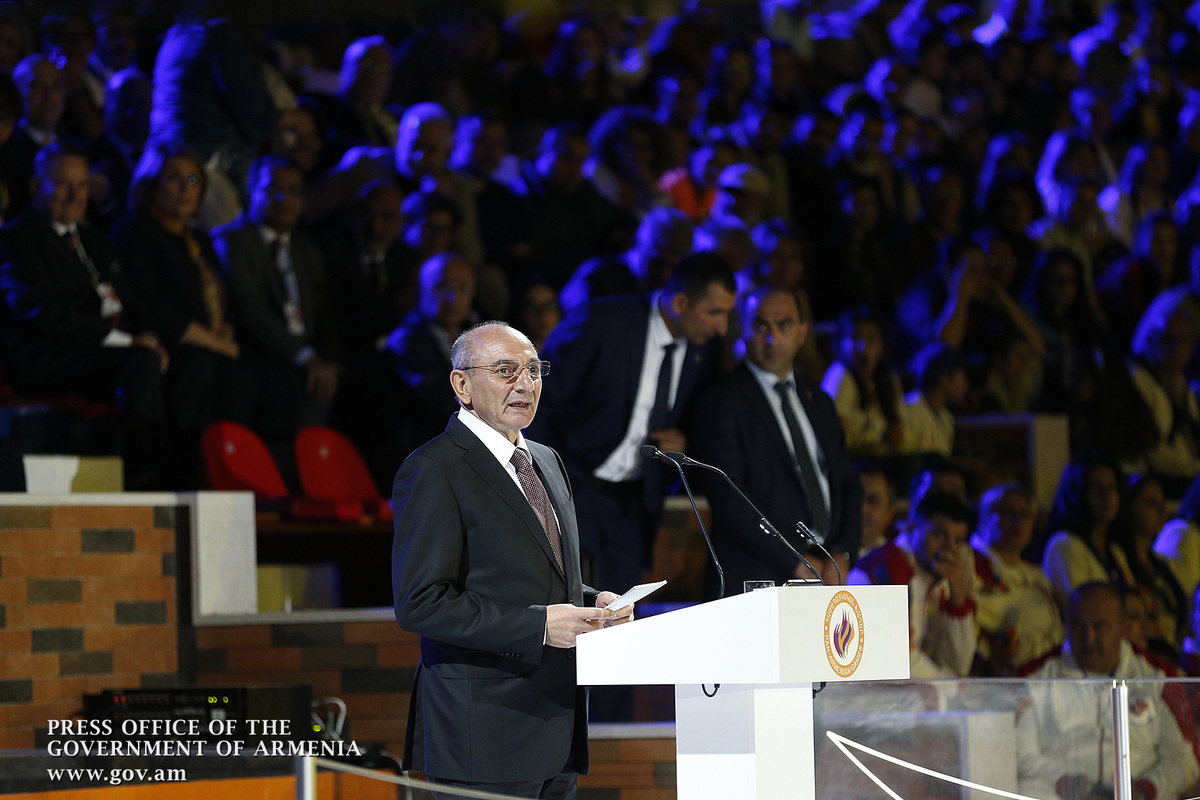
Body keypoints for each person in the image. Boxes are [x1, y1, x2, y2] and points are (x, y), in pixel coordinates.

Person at [392, 321, 632, 800]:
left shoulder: (546, 460)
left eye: (534, 370)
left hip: (556, 729)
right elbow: (420, 603)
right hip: (483, 735)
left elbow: (537, 575)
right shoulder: (434, 468)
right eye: (505, 371)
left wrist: (592, 602)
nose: (525, 384)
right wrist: (538, 626)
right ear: (462, 385)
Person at [534, 252, 736, 595]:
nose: (723, 328)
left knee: (621, 612)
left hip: (633, 506)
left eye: (727, 314)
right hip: (572, 488)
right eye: (714, 312)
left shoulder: (704, 352)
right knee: (572, 610)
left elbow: (701, 421)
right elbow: (540, 401)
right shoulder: (603, 321)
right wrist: (542, 486)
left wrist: (684, 442)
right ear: (680, 303)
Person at [0, 143, 169, 489]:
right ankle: (146, 478)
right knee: (139, 363)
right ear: (36, 186)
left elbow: (131, 301)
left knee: (183, 363)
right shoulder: (15, 239)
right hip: (47, 357)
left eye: (83, 186)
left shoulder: (95, 241)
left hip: (96, 352)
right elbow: (41, 310)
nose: (75, 195)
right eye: (63, 184)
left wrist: (150, 336)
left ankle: (186, 470)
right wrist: (126, 342)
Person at [688, 286, 863, 594]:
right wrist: (794, 560)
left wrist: (844, 552)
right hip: (758, 577)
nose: (772, 338)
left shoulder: (819, 401)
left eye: (784, 325)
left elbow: (847, 483)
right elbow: (730, 497)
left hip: (828, 571)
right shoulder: (720, 402)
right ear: (742, 329)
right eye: (760, 326)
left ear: (802, 332)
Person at [1016, 582, 1199, 800]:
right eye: (1078, 625)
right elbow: (1020, 756)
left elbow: (1185, 759)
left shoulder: (1159, 677)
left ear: (1122, 626)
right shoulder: (1034, 678)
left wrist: (1145, 789)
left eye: (1100, 627)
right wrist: (1063, 782)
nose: (1088, 638)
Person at [212, 154, 342, 441]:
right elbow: (248, 309)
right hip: (259, 352)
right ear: (251, 191)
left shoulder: (306, 250)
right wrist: (305, 357)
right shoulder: (231, 240)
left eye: (294, 190)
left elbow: (323, 311)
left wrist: (328, 360)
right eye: (273, 188)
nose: (285, 198)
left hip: (304, 353)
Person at [849, 490, 976, 678]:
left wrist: (958, 597)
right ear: (911, 527)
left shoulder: (936, 575)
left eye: (958, 541)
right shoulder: (886, 570)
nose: (949, 548)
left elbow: (958, 665)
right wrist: (951, 688)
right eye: (939, 535)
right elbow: (899, 660)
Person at [970, 482, 1065, 675]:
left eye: (1025, 514)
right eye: (1007, 512)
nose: (1017, 520)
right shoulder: (970, 562)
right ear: (985, 517)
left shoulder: (1036, 574)